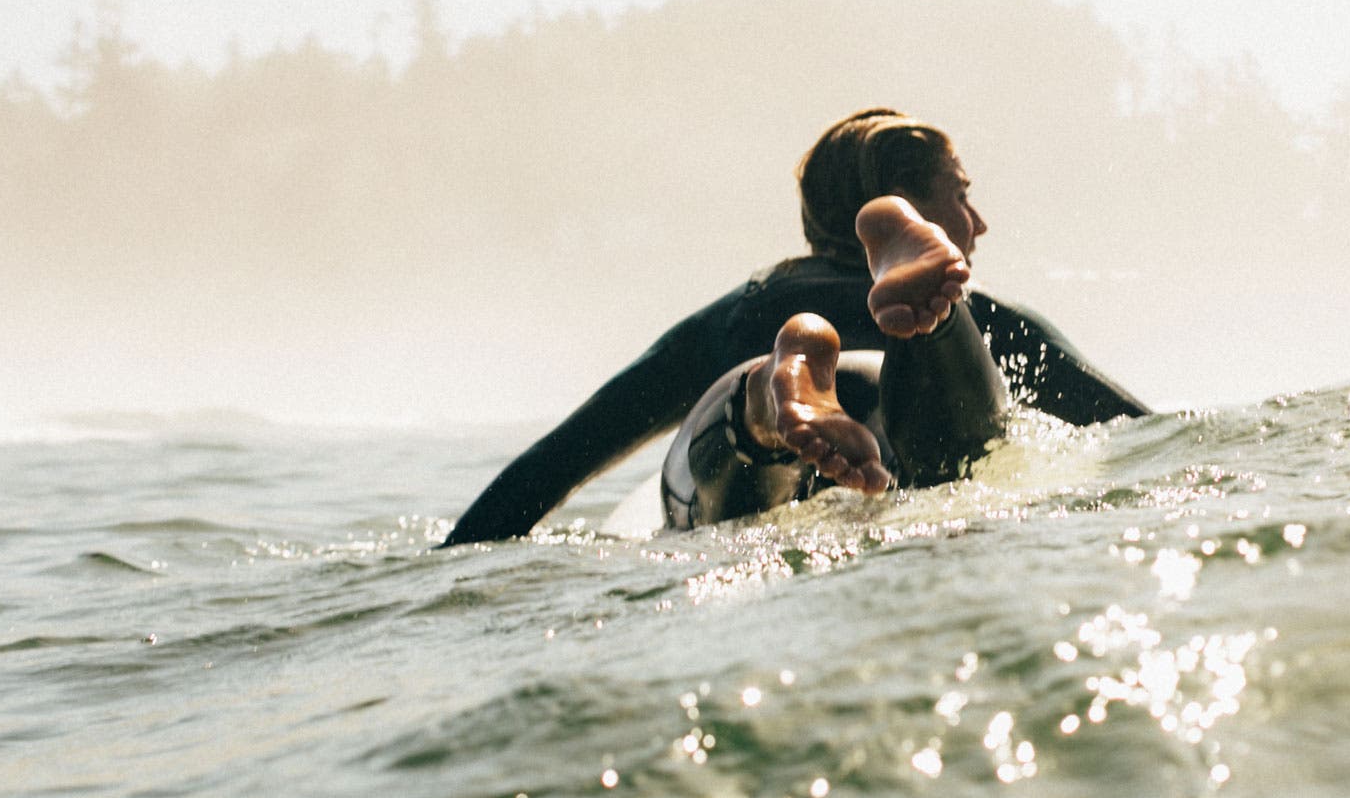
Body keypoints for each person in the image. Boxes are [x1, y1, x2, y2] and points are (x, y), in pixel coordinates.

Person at [442, 110, 1148, 546]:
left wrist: (448, 572)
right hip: (891, 435)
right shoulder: (983, 309)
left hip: (761, 441)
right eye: (960, 196)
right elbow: (1144, 433)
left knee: (741, 445)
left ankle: (777, 389)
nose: (979, 221)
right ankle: (927, 339)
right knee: (948, 424)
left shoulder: (736, 312)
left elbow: (548, 470)